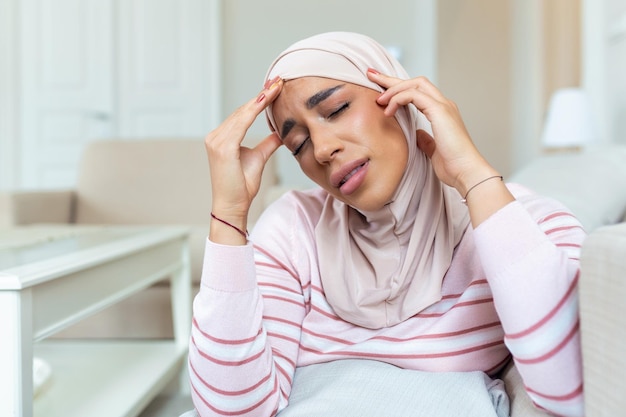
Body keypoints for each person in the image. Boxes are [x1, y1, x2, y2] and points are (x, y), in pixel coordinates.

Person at [189, 32, 584, 417]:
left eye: (337, 109)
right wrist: (229, 214)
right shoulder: (294, 227)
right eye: (299, 145)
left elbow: (570, 391)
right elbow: (233, 411)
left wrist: (473, 177)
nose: (323, 150)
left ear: (401, 99)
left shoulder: (514, 221)